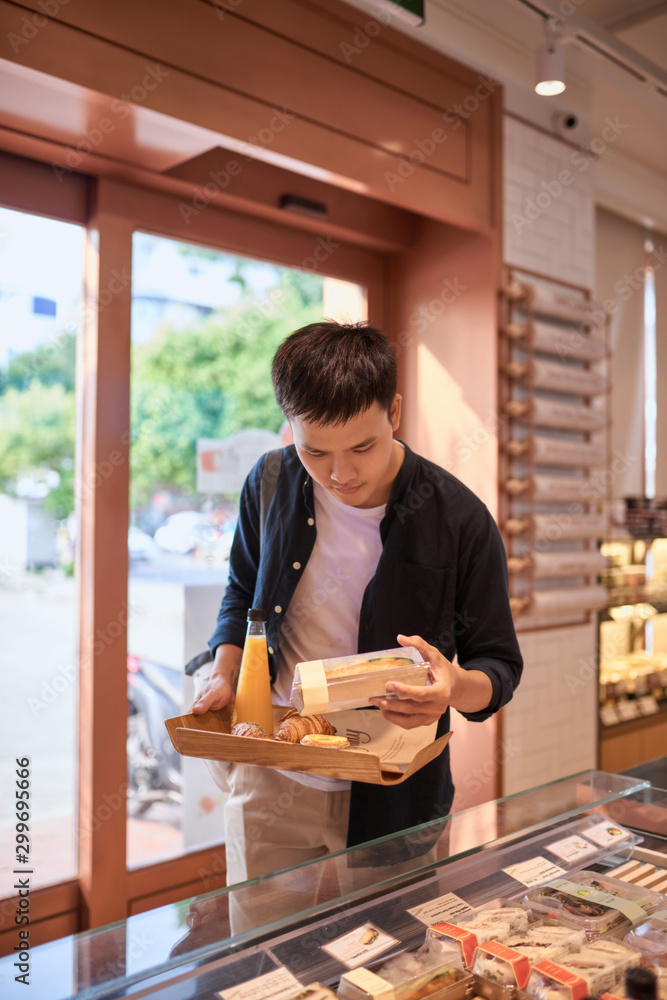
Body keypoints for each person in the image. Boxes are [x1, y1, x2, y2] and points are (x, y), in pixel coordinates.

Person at [189, 320, 522, 890]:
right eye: (315, 451)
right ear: (289, 426)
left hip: (393, 786)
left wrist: (452, 688)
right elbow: (242, 593)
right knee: (262, 961)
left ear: (393, 412)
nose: (340, 474)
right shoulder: (269, 481)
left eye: (362, 447)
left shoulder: (460, 519)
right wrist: (224, 675)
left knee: (385, 968)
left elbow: (499, 665)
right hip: (275, 767)